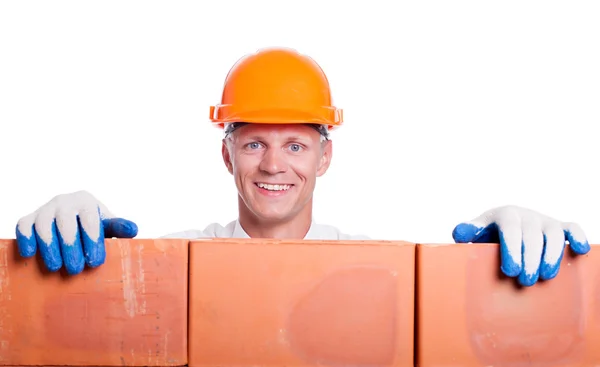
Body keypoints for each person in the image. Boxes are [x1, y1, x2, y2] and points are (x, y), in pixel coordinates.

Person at [14, 47, 590, 287]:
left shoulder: (372, 266)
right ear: (226, 154)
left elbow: (445, 311)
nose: (273, 164)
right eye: (253, 144)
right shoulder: (179, 262)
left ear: (325, 157)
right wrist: (75, 211)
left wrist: (500, 234)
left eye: (295, 145)